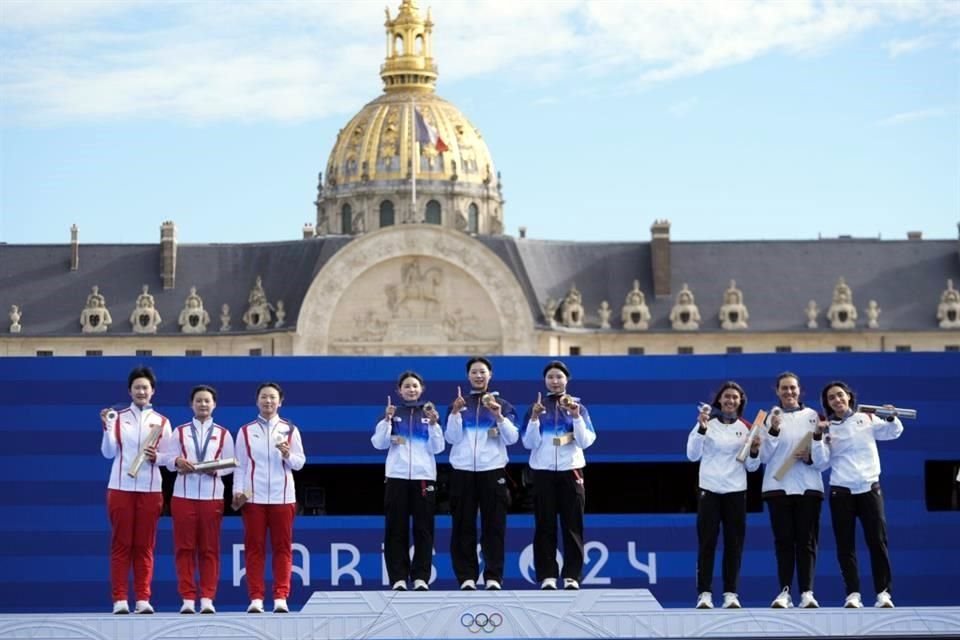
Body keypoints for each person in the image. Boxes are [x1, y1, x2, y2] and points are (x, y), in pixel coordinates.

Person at [812, 381, 903, 608]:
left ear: (849, 397)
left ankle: (883, 593)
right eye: (831, 398)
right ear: (828, 403)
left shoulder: (867, 418)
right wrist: (819, 440)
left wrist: (891, 417)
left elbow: (893, 432)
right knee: (845, 545)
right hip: (841, 491)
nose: (837, 400)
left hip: (869, 489)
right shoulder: (826, 427)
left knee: (877, 542)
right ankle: (853, 594)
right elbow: (821, 464)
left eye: (840, 395)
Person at [100, 366, 172, 615]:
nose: (141, 391)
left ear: (153, 391)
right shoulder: (116, 418)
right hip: (120, 488)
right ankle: (119, 599)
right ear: (130, 391)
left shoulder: (162, 422)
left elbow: (170, 459)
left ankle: (142, 599)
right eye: (137, 387)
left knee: (144, 546)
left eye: (146, 387)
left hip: (150, 490)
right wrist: (107, 429)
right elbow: (108, 452)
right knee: (121, 544)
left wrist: (157, 456)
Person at [445, 356, 519, 590]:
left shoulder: (503, 405)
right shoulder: (458, 404)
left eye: (482, 372)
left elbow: (513, 438)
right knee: (462, 526)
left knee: (494, 527)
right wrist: (455, 414)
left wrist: (498, 415)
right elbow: (451, 438)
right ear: (468, 376)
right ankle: (466, 577)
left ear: (490, 375)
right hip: (463, 472)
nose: (478, 376)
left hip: (492, 471)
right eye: (474, 372)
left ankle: (493, 577)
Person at [522, 360, 597, 591]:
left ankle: (572, 576)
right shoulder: (537, 406)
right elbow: (528, 442)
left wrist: (575, 417)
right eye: (550, 377)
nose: (555, 381)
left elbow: (586, 441)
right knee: (544, 525)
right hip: (543, 473)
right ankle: (547, 576)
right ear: (545, 381)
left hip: (570, 471)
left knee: (572, 525)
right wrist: (534, 418)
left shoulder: (579, 408)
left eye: (559, 377)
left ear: (567, 380)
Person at [686, 381, 761, 609]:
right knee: (707, 544)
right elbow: (692, 455)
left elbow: (752, 467)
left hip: (736, 493)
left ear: (741, 402)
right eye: (727, 397)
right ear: (719, 399)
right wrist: (700, 429)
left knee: (734, 545)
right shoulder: (706, 423)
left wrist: (755, 450)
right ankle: (705, 594)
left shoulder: (748, 427)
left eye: (735, 398)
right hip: (709, 491)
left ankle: (731, 594)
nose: (730, 401)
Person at [232, 382, 306, 614]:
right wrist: (237, 491)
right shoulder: (245, 431)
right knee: (254, 549)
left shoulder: (290, 430)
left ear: (280, 402)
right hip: (253, 499)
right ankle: (255, 597)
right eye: (264, 397)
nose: (268, 401)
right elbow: (240, 466)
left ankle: (281, 597)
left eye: (272, 398)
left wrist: (287, 455)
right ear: (257, 401)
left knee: (282, 548)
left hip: (283, 497)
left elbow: (300, 463)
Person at [162, 385, 235, 614]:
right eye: (199, 401)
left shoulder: (223, 433)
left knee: (209, 549)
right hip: (183, 496)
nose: (203, 405)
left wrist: (216, 470)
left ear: (214, 405)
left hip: (212, 497)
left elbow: (231, 464)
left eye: (207, 401)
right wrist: (176, 462)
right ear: (191, 404)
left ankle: (207, 599)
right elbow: (166, 459)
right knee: (184, 549)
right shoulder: (180, 432)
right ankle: (187, 598)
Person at [759, 372, 829, 609]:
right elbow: (764, 457)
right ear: (777, 391)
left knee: (807, 542)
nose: (789, 392)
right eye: (784, 389)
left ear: (800, 391)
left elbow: (824, 461)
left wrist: (810, 457)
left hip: (809, 488)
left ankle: (807, 593)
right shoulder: (769, 418)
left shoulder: (814, 417)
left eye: (793, 388)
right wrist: (774, 431)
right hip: (778, 489)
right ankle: (785, 592)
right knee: (784, 542)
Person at [371, 371, 444, 591]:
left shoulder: (429, 414)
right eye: (406, 386)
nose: (411, 389)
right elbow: (379, 444)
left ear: (421, 389)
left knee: (423, 529)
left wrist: (433, 425)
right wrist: (386, 421)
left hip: (423, 478)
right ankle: (399, 578)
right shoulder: (392, 414)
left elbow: (438, 448)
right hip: (397, 477)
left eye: (415, 386)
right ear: (399, 391)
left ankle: (421, 577)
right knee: (396, 529)